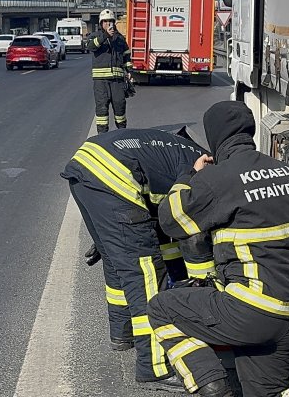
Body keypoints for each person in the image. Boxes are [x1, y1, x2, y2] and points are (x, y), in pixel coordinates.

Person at [149, 101, 289, 397]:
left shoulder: (216, 178)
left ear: (215, 137)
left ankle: (212, 384)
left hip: (250, 310)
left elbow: (171, 220)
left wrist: (188, 176)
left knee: (162, 308)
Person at [61, 127, 217, 392]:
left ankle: (123, 333)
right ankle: (154, 367)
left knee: (116, 261)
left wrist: (111, 234)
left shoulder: (184, 152)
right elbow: (193, 237)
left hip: (86, 165)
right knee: (145, 271)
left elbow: (164, 222)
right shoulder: (207, 171)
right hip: (114, 175)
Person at [88, 9, 132, 133]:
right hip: (101, 81)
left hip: (117, 81)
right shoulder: (95, 36)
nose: (108, 23)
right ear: (101, 23)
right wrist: (105, 35)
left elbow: (126, 55)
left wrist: (129, 70)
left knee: (120, 106)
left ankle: (121, 133)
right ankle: (102, 136)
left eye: (110, 21)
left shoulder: (120, 39)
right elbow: (91, 47)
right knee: (102, 109)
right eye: (105, 21)